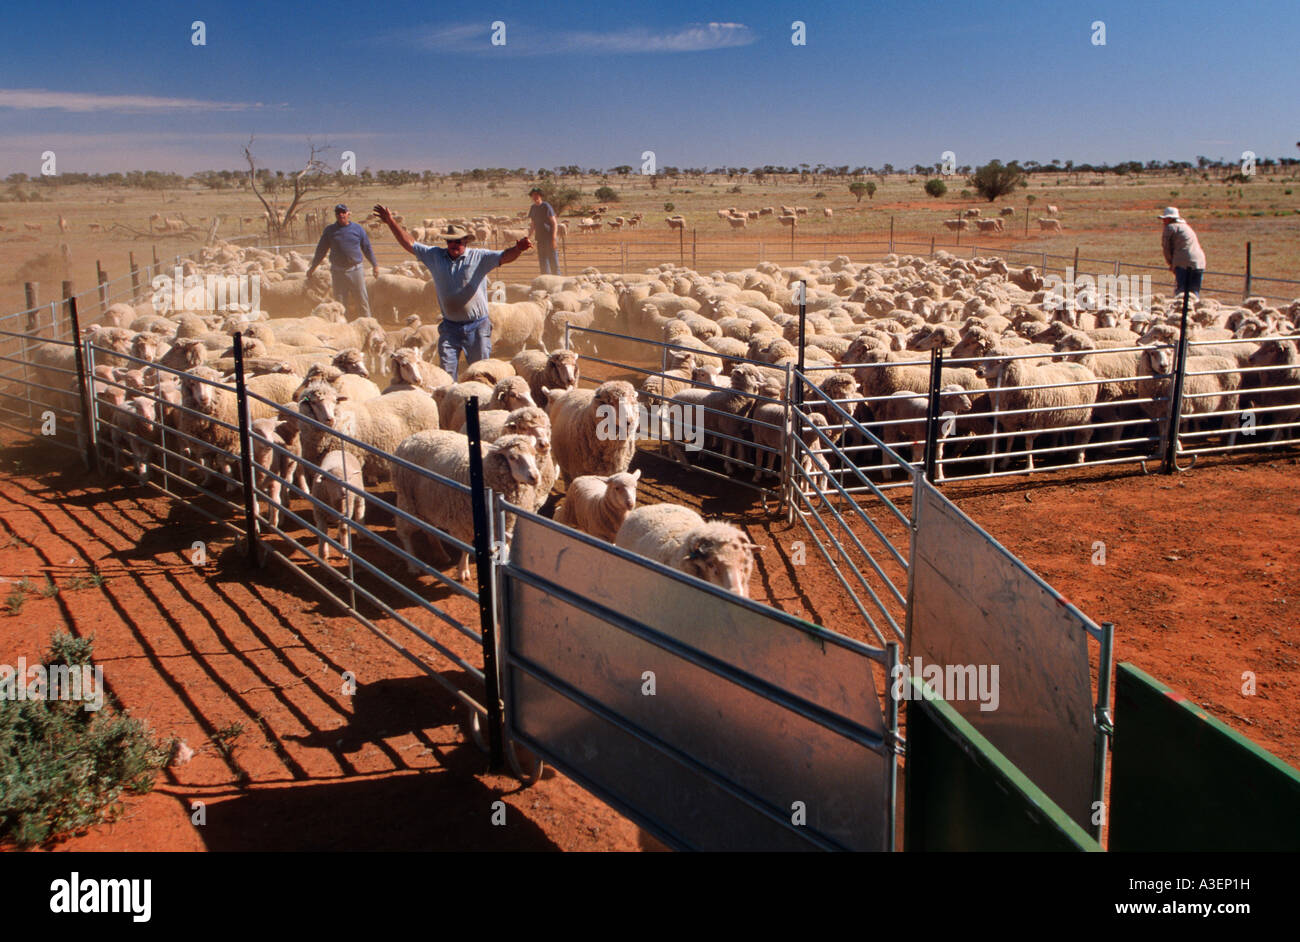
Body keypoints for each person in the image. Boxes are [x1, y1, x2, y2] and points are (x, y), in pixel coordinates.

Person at [373, 205, 531, 377]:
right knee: (446, 372)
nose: (454, 244)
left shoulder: (479, 257)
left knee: (479, 371)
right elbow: (410, 243)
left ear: (465, 241)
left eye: (458, 241)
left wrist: (518, 249)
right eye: (450, 241)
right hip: (449, 326)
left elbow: (504, 256)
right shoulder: (435, 255)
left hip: (477, 326)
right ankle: (450, 401)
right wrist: (390, 222)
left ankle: (474, 403)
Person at [307, 204, 380, 319]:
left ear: (348, 213)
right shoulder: (330, 230)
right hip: (338, 271)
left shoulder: (358, 229)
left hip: (355, 270)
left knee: (362, 299)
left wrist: (375, 265)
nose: (341, 215)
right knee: (340, 303)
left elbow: (367, 248)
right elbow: (321, 250)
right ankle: (343, 326)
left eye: (343, 212)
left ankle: (368, 323)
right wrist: (312, 268)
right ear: (336, 215)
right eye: (338, 213)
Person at [1159, 207, 1206, 299]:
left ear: (1169, 218)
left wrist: (1171, 264)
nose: (1163, 221)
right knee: (1194, 292)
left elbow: (1166, 248)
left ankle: (1181, 311)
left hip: (1183, 262)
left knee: (1181, 292)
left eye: (1165, 219)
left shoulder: (1170, 228)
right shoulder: (1186, 226)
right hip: (1199, 262)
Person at [526, 187, 561, 275]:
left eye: (537, 195)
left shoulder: (546, 206)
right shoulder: (533, 208)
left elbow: (554, 223)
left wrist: (553, 238)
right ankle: (546, 283)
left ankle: (557, 282)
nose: (535, 197)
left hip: (549, 238)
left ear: (540, 196)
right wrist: (528, 237)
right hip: (540, 238)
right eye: (533, 195)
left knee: (553, 261)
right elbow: (533, 224)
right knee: (543, 262)